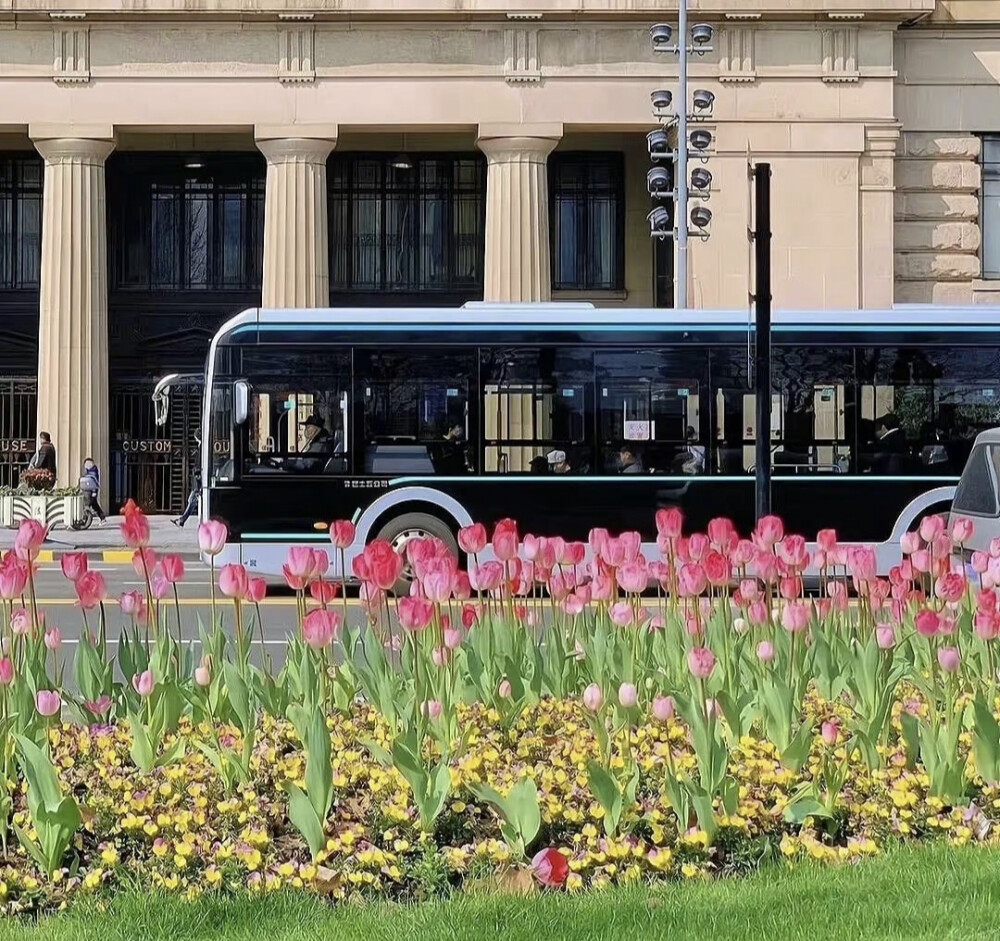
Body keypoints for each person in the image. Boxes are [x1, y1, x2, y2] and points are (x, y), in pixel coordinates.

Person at [78, 458, 106, 525]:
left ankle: (85, 519)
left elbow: (93, 481)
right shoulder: (90, 470)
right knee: (94, 505)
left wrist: (94, 492)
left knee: (87, 505)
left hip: (92, 490)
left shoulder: (93, 471)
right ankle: (102, 518)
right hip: (90, 490)